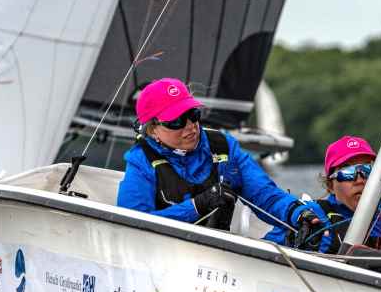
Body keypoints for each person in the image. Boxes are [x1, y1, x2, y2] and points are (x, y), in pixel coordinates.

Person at [116, 78, 325, 237]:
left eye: (193, 114)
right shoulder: (140, 161)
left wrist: (299, 214)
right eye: (176, 121)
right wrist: (196, 206)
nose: (190, 126)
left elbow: (266, 195)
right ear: (152, 130)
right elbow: (133, 224)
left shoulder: (224, 147)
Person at [292, 135, 381, 254]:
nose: (360, 180)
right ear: (331, 186)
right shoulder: (311, 216)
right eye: (348, 172)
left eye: (367, 169)